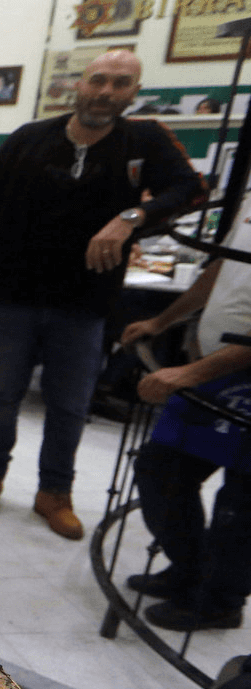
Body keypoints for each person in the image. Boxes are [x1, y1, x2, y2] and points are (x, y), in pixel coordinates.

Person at [0, 49, 203, 540]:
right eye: (98, 80)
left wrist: (133, 217)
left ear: (135, 92)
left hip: (84, 302)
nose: (106, 92)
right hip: (11, 295)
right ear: (79, 85)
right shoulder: (29, 139)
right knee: (2, 394)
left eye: (121, 84)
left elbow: (192, 189)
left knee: (69, 404)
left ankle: (55, 492)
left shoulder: (144, 140)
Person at [118, 211, 251, 631]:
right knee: (162, 468)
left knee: (241, 504)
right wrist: (162, 320)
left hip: (229, 375)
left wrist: (191, 373)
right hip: (216, 371)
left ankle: (220, 600)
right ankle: (191, 569)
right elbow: (222, 268)